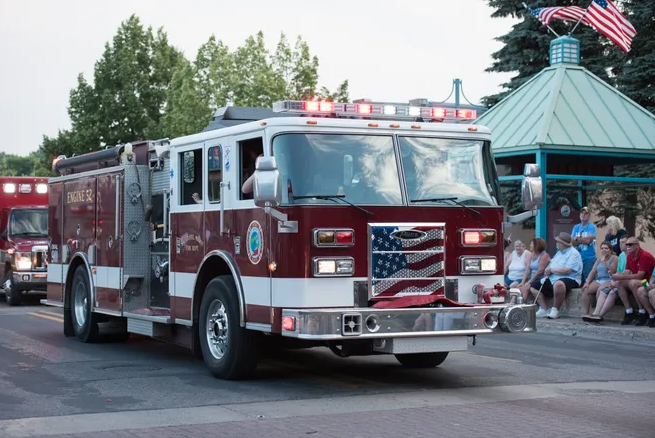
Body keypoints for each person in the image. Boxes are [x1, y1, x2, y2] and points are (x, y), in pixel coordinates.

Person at [530, 232, 582, 319]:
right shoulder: (559, 253)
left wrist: (552, 270)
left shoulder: (574, 253)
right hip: (554, 277)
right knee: (534, 286)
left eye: (558, 242)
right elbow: (551, 264)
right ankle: (543, 309)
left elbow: (568, 270)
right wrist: (548, 269)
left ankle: (555, 310)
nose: (556, 243)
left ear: (563, 244)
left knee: (559, 284)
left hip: (570, 278)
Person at [580, 241, 618, 317]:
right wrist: (587, 282)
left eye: (606, 248)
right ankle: (586, 313)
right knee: (585, 289)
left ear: (610, 250)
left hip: (609, 279)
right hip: (600, 280)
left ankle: (598, 313)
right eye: (602, 248)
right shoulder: (599, 259)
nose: (604, 250)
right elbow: (593, 271)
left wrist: (605, 262)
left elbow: (613, 270)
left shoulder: (615, 258)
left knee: (600, 290)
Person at [518, 238, 550, 304]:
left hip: (540, 278)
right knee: (519, 288)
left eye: (531, 244)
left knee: (525, 289)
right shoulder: (532, 254)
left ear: (536, 246)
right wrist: (522, 282)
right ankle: (512, 306)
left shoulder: (544, 255)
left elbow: (540, 271)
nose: (530, 245)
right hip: (532, 278)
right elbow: (528, 269)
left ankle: (522, 306)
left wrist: (529, 282)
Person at [571, 206, 597, 287]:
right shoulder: (576, 227)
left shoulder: (591, 226)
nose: (583, 215)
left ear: (589, 216)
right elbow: (572, 242)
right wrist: (582, 239)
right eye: (582, 213)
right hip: (578, 258)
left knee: (587, 281)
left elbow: (588, 241)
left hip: (589, 258)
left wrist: (577, 238)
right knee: (578, 280)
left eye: (586, 213)